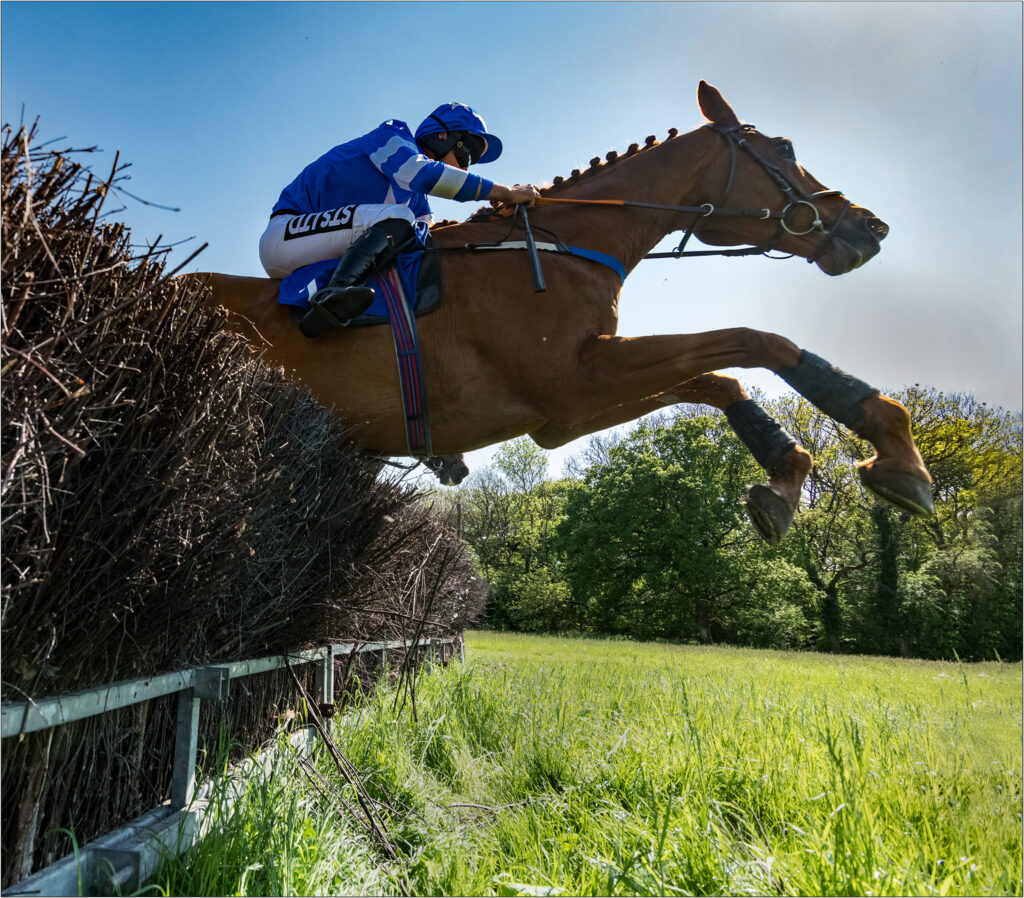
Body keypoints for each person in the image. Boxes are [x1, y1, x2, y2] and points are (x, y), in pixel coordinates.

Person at [260, 102, 540, 337]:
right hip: (285, 235)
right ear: (442, 136)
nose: (465, 166)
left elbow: (428, 242)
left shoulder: (418, 202)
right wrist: (505, 192)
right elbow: (426, 175)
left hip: (323, 251)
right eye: (466, 153)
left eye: (471, 163)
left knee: (415, 239)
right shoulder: (391, 138)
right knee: (401, 218)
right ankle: (335, 293)